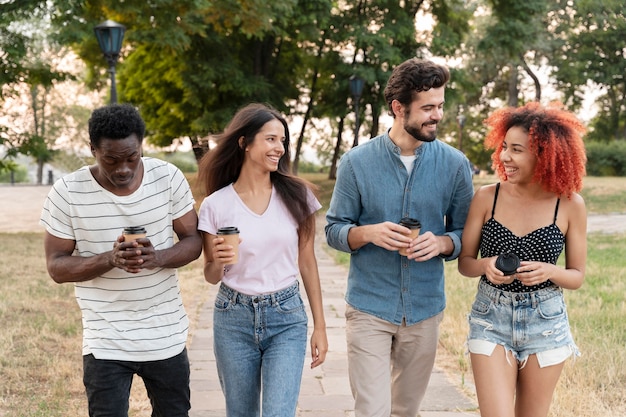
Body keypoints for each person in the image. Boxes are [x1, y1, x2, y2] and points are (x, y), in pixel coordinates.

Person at [325, 58, 474, 417]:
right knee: (372, 410)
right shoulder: (356, 163)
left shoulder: (455, 164)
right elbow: (333, 229)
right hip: (369, 307)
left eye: (440, 105)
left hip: (424, 309)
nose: (436, 115)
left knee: (405, 410)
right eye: (427, 108)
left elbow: (468, 234)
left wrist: (442, 243)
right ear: (398, 107)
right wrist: (368, 233)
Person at [40, 103, 203, 417]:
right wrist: (109, 259)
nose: (123, 169)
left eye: (132, 157)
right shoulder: (67, 192)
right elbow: (56, 267)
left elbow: (194, 240)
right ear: (93, 150)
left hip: (164, 333)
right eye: (111, 159)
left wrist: (157, 257)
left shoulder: (167, 178)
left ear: (141, 146)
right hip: (105, 339)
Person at [197, 103, 328, 417]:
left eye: (282, 141)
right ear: (244, 142)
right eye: (270, 139)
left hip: (287, 318)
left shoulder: (298, 196)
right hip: (233, 319)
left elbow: (307, 262)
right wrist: (218, 259)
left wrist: (320, 327)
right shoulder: (215, 205)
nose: (279, 148)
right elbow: (211, 275)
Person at [458, 101, 587, 417]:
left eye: (516, 150)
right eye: (504, 147)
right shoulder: (488, 197)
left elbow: (577, 276)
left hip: (546, 321)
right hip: (491, 317)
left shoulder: (569, 205)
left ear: (544, 155)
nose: (504, 157)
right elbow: (465, 262)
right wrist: (485, 265)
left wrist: (549, 271)